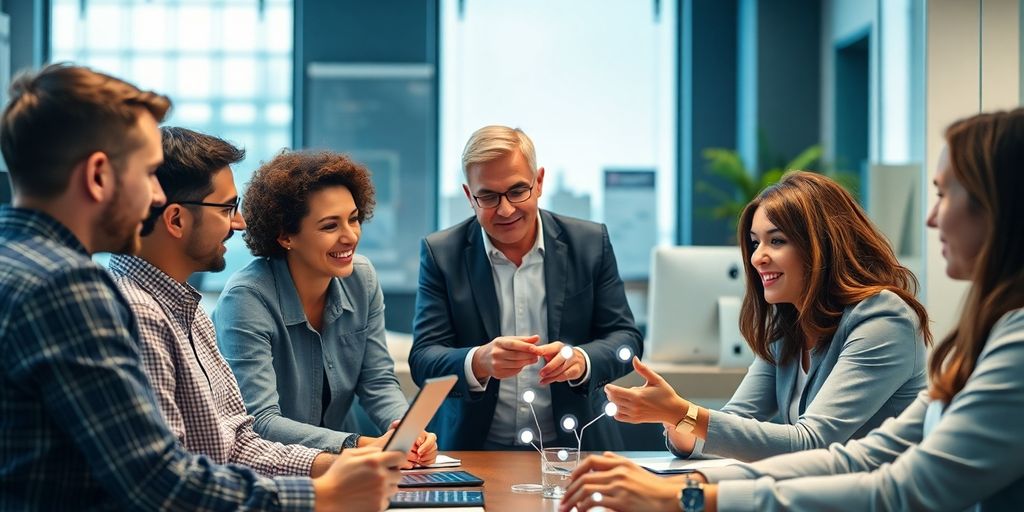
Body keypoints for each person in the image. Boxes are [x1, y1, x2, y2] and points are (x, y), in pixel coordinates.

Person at [561, 108, 1024, 512]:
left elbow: (861, 467)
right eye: (756, 242)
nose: (930, 217)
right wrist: (690, 475)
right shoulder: (984, 337)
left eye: (944, 194)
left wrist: (689, 485)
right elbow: (855, 459)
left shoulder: (887, 319)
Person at [0, 63, 402, 511]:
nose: (156, 196)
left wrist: (325, 466)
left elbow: (232, 442)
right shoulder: (70, 287)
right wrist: (320, 494)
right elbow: (156, 480)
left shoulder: (24, 265)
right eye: (148, 172)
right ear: (98, 176)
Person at [604, 171, 931, 463]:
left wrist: (682, 412)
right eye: (754, 242)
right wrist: (674, 418)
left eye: (776, 241)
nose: (758, 257)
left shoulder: (884, 320)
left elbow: (812, 443)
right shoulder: (789, 328)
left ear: (822, 246)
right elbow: (733, 423)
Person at [110, 126, 358, 477]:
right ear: (176, 219)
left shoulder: (187, 310)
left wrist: (336, 466)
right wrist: (315, 492)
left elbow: (237, 443)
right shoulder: (135, 314)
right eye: (227, 208)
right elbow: (171, 478)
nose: (240, 223)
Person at [409, 125, 644, 450]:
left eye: (517, 191)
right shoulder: (441, 253)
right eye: (488, 196)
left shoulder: (589, 243)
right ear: (468, 196)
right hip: (474, 451)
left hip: (576, 449)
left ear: (539, 182)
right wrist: (478, 361)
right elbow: (423, 359)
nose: (505, 209)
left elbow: (627, 340)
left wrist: (582, 360)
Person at [213, 150, 437, 466]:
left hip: (349, 467)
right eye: (330, 226)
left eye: (354, 219)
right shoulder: (246, 298)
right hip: (275, 474)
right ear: (285, 235)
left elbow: (378, 382)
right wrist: (363, 445)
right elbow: (260, 421)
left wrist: (406, 432)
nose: (350, 236)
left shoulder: (363, 278)